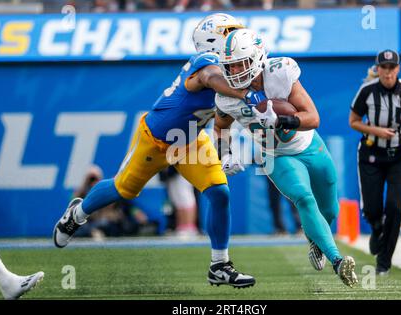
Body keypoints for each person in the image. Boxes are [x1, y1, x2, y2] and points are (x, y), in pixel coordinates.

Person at [53, 13, 266, 288]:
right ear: (214, 41)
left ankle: (220, 265)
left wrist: (225, 150)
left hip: (190, 141)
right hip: (155, 140)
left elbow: (223, 117)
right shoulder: (207, 63)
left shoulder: (232, 70)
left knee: (219, 192)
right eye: (232, 33)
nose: (238, 40)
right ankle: (78, 214)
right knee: (122, 189)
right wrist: (247, 93)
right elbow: (211, 78)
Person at [214, 28, 358, 287]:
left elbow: (313, 118)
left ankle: (315, 238)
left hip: (310, 146)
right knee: (303, 197)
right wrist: (225, 153)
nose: (234, 72)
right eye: (230, 67)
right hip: (275, 155)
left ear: (257, 57)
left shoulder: (280, 71)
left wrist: (282, 119)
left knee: (330, 210)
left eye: (239, 65)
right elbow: (221, 128)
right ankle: (338, 261)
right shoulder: (225, 96)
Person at [349, 49, 401, 275]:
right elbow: (353, 121)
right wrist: (375, 130)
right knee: (373, 210)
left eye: (391, 67)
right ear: (378, 68)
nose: (387, 72)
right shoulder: (367, 91)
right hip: (371, 155)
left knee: (395, 208)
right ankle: (376, 229)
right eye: (383, 67)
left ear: (398, 68)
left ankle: (384, 262)